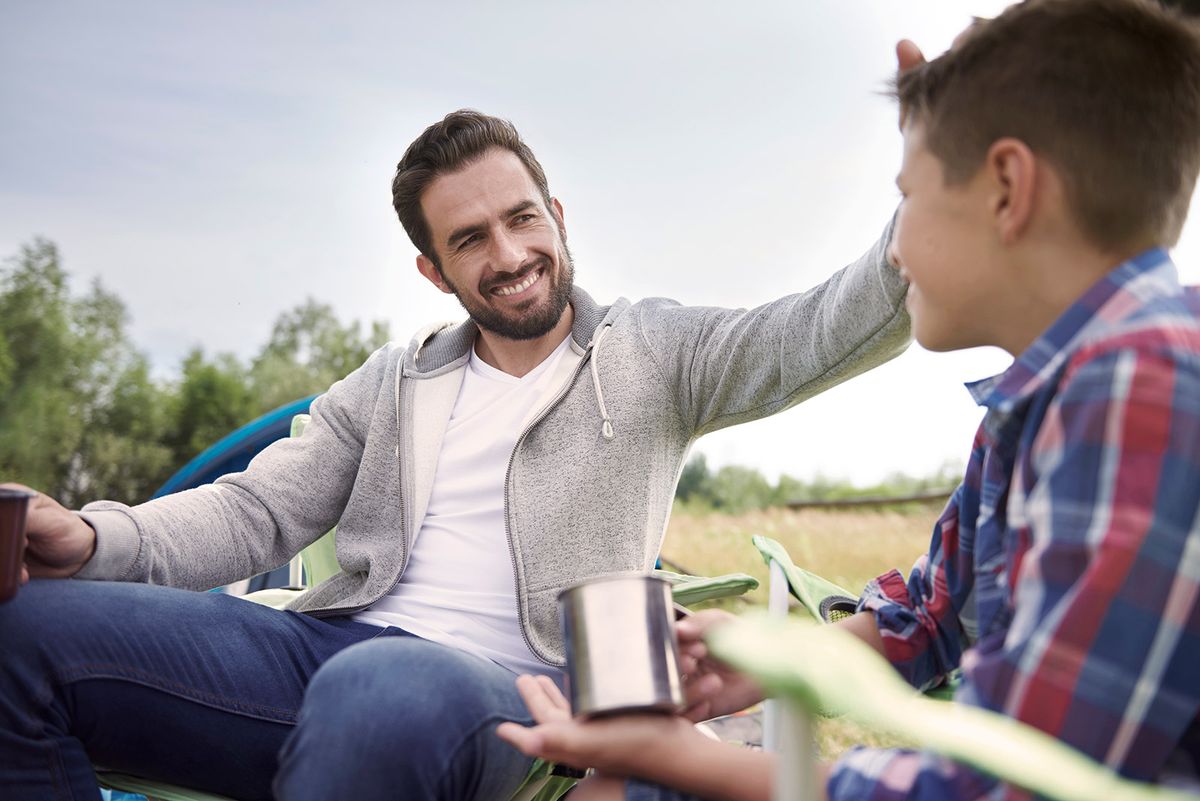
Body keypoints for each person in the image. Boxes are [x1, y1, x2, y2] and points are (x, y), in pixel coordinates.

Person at [0, 108, 910, 799]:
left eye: (522, 219)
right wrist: (87, 539)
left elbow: (818, 331)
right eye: (471, 239)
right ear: (435, 269)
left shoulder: (655, 355)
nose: (510, 254)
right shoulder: (393, 382)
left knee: (382, 686)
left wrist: (926, 210)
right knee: (23, 630)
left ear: (556, 214)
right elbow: (255, 510)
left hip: (518, 687)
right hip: (318, 651)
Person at [496, 1, 1200, 799]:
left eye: (911, 192)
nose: (895, 246)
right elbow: (933, 620)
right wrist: (772, 654)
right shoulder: (1043, 399)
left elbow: (1012, 788)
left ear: (1007, 188)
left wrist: (686, 757)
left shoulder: (1138, 394)